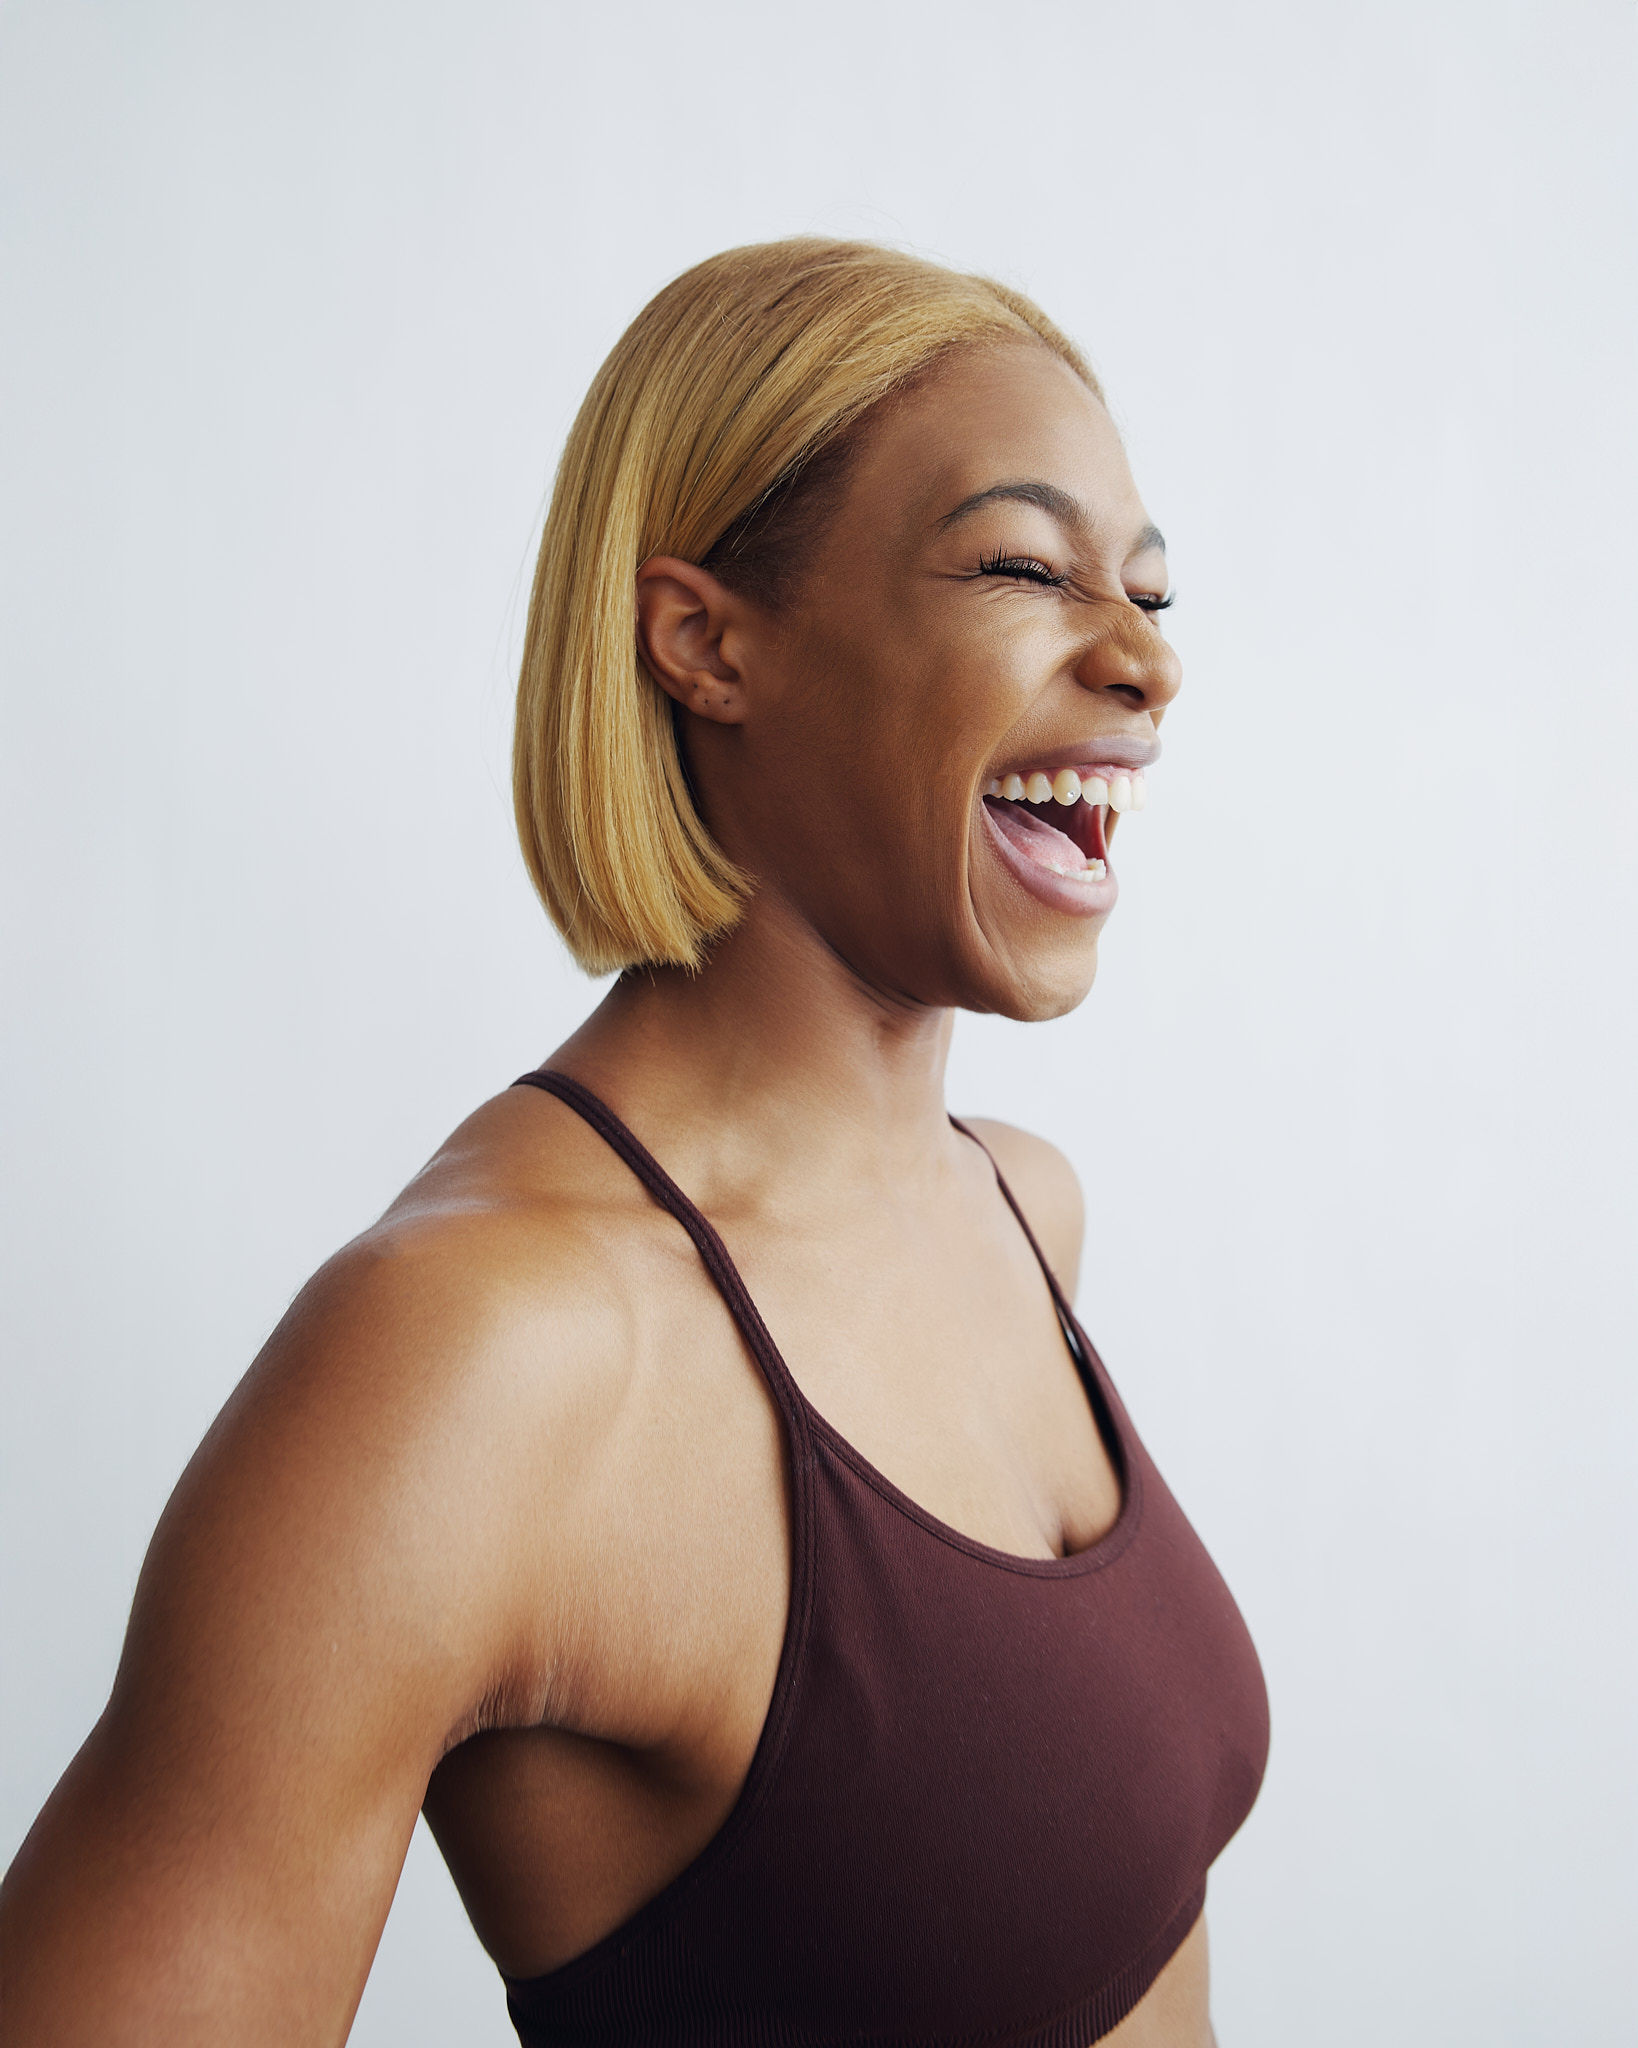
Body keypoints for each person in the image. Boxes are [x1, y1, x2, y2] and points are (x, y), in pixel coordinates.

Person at [0, 239, 1267, 2047]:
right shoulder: (482, 1356)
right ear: (705, 642)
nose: (1142, 663)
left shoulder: (1013, 1210)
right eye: (1019, 566)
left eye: (1145, 592)